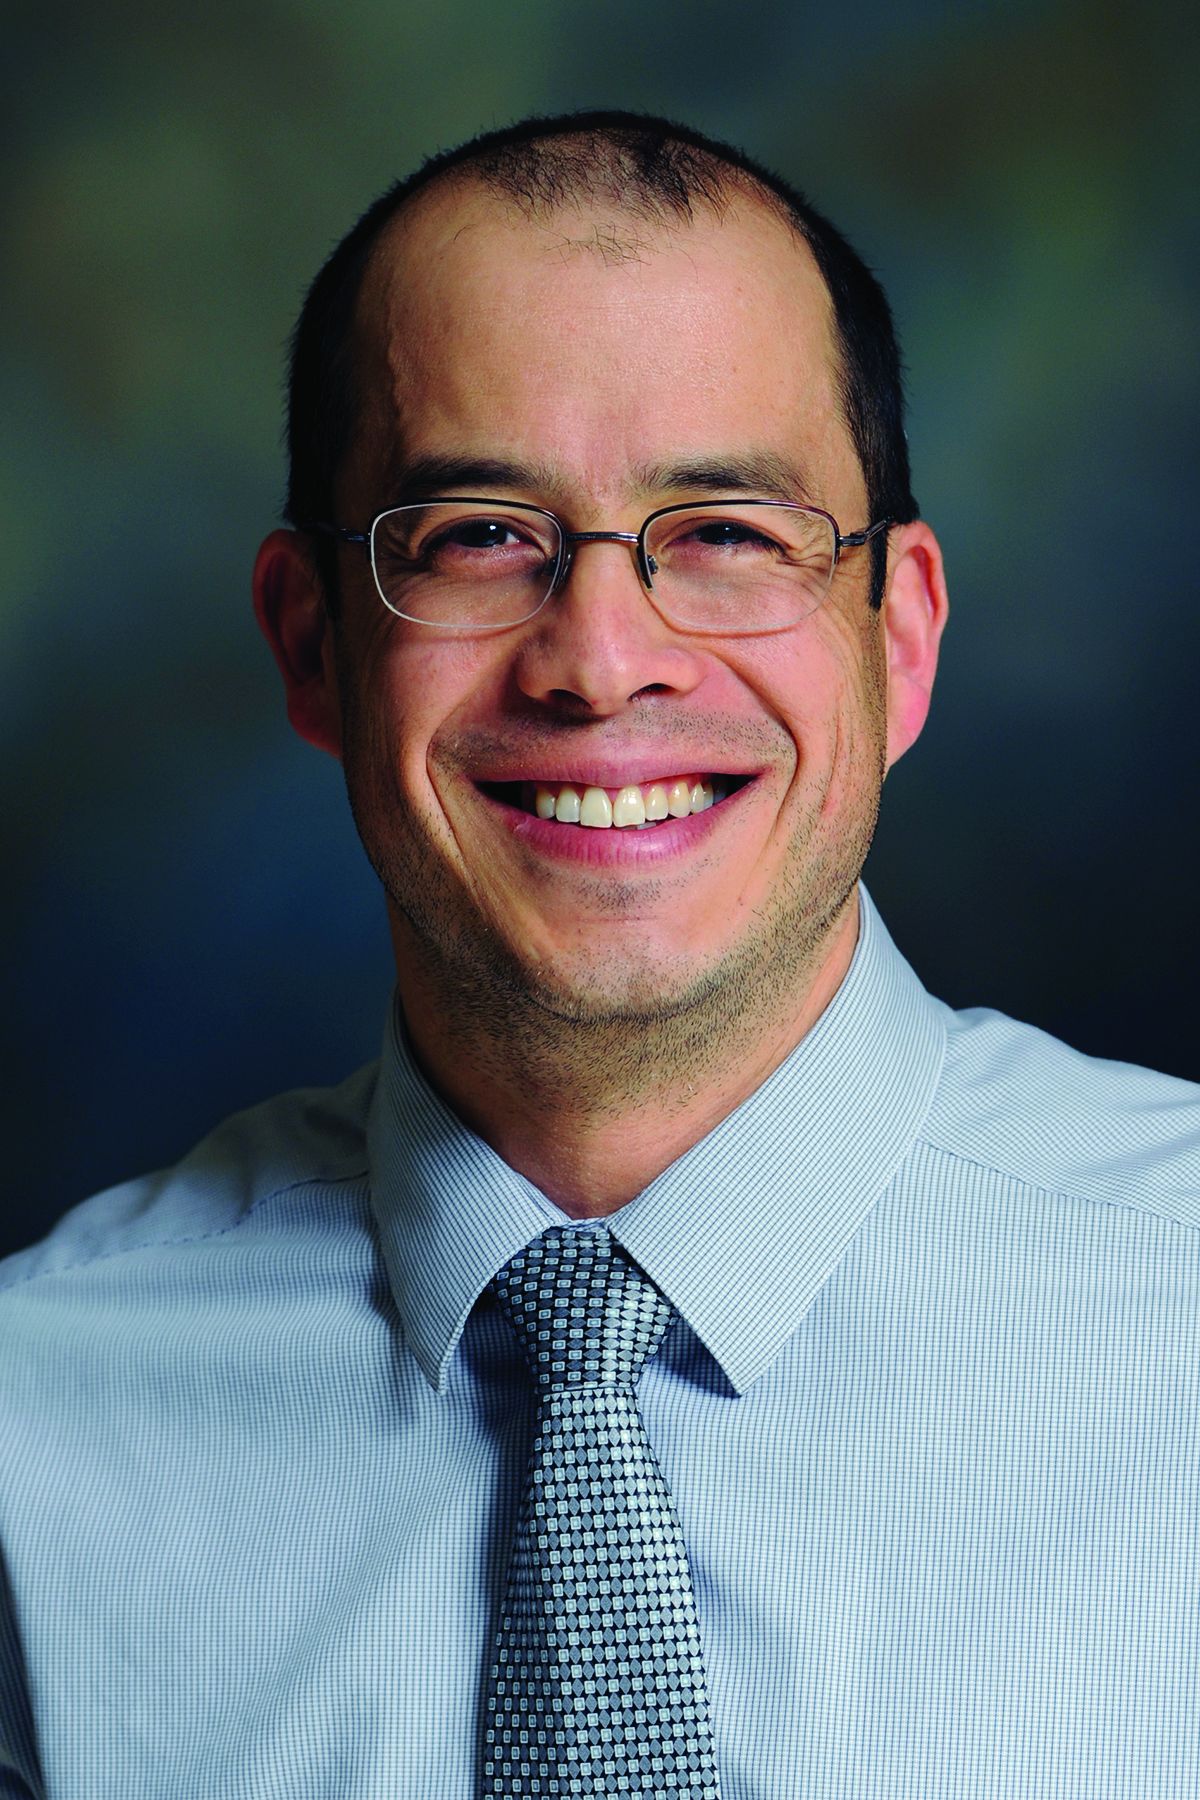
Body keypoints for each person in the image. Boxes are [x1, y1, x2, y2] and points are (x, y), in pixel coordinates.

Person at [1, 109, 1197, 1800]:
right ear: (310, 643)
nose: (601, 659)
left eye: (729, 531)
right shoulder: (34, 1436)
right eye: (479, 535)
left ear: (903, 639)